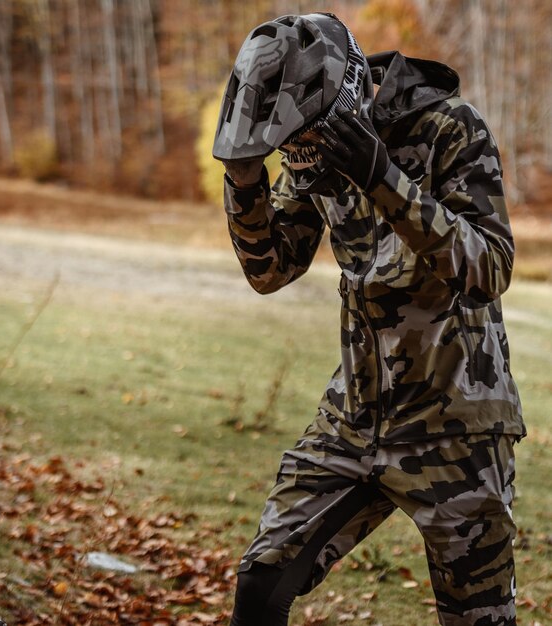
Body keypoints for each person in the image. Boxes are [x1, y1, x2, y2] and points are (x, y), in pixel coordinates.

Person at [212, 12, 526, 626]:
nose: (296, 154)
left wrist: (380, 175)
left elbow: (489, 270)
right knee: (261, 585)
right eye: (285, 144)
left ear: (345, 90)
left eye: (301, 138)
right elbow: (271, 268)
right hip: (354, 419)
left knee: (478, 619)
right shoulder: (312, 144)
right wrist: (243, 177)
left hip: (457, 424)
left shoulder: (450, 129)